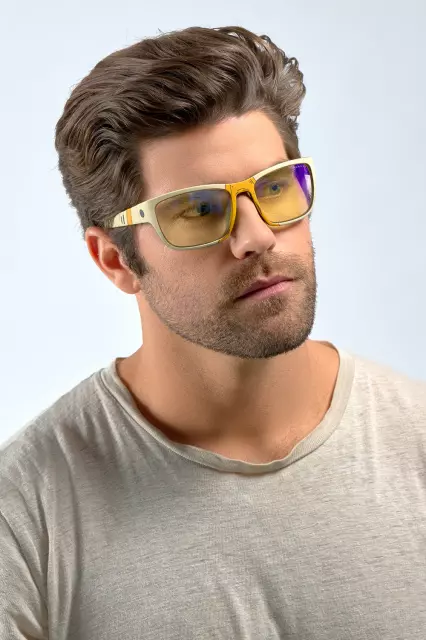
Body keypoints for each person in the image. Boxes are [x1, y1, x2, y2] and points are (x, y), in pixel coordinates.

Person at [1, 25, 425, 640]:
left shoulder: (415, 444)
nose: (257, 236)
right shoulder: (25, 517)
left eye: (275, 188)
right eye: (199, 210)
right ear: (115, 260)